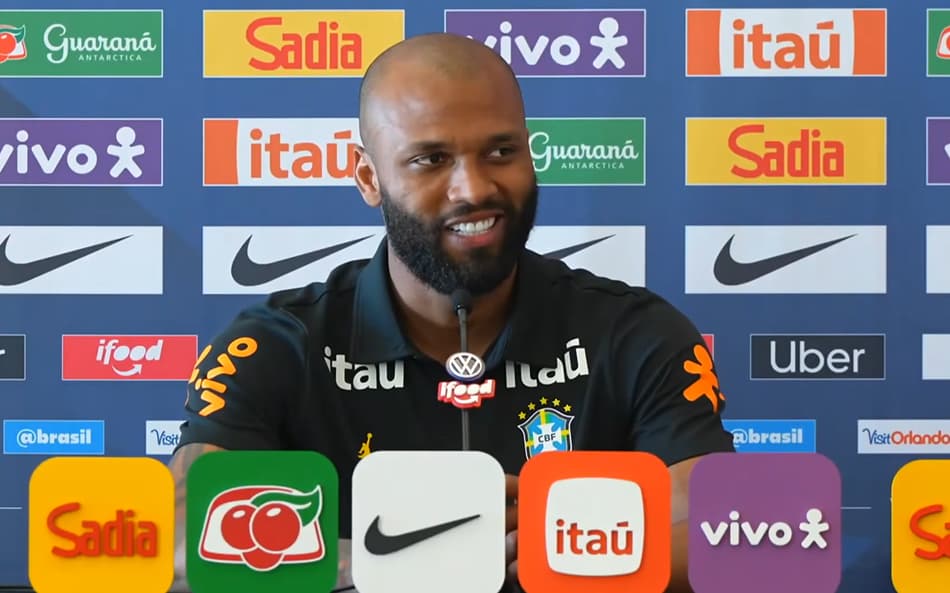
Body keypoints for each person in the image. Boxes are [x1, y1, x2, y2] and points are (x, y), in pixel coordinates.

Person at [167, 32, 735, 593]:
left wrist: (567, 544)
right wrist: (406, 552)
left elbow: (728, 538)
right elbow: (182, 544)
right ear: (369, 177)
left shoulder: (636, 334)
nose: (473, 188)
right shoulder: (273, 345)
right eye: (431, 160)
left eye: (500, 151)